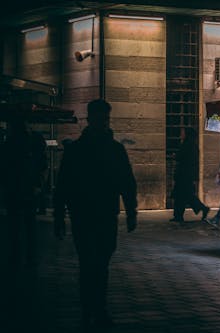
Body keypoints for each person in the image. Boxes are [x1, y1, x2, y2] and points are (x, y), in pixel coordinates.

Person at [53, 99, 138, 330]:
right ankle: (95, 309)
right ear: (94, 119)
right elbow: (127, 183)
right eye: (102, 118)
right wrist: (131, 211)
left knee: (93, 264)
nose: (103, 122)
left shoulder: (79, 150)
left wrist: (131, 210)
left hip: (88, 215)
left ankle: (91, 309)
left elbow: (63, 185)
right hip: (98, 214)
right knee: (97, 265)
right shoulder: (111, 149)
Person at [0, 117, 47, 268]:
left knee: (16, 225)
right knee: (28, 224)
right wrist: (38, 185)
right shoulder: (34, 140)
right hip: (27, 189)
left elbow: (4, 167)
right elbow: (42, 165)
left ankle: (17, 256)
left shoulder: (10, 142)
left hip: (17, 189)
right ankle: (28, 257)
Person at [170, 127, 210, 222]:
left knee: (182, 195)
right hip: (186, 174)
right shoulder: (191, 145)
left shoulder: (187, 145)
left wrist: (175, 156)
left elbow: (183, 157)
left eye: (183, 132)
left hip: (184, 175)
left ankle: (179, 216)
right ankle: (179, 215)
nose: (181, 134)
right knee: (185, 195)